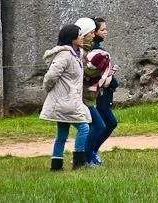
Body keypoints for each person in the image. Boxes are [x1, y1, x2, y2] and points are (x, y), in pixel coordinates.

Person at [40, 24, 92, 170]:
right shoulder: (65, 55)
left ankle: (56, 166)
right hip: (66, 101)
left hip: (68, 101)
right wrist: (49, 89)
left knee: (62, 134)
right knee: (84, 128)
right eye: (79, 35)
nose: (82, 37)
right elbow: (51, 76)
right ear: (72, 38)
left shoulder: (77, 54)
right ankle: (79, 163)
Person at [75, 17, 107, 166]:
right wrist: (100, 70)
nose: (94, 35)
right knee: (96, 126)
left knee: (93, 126)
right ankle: (84, 158)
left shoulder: (86, 50)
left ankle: (85, 158)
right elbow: (82, 73)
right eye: (92, 32)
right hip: (81, 96)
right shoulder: (80, 52)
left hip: (87, 96)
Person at [87, 17, 119, 165]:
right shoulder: (95, 50)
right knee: (104, 123)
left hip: (105, 92)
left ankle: (92, 151)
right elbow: (98, 72)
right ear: (94, 31)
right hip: (99, 92)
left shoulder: (98, 48)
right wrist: (109, 73)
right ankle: (90, 153)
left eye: (106, 29)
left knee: (108, 123)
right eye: (102, 29)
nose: (105, 32)